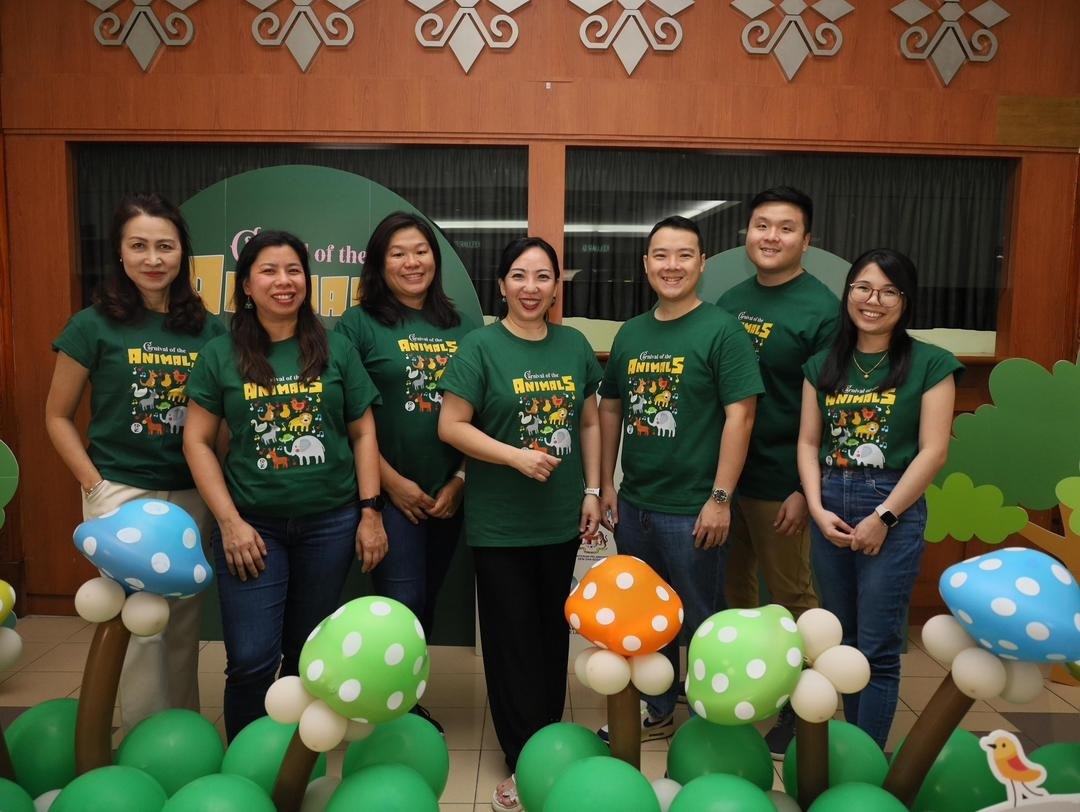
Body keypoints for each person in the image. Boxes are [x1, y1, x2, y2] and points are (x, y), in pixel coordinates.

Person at [183, 229, 387, 741]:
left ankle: (296, 761)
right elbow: (198, 442)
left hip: (331, 524)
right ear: (246, 285)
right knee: (251, 658)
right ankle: (248, 763)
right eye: (269, 271)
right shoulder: (220, 354)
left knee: (307, 655)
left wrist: (370, 512)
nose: (284, 281)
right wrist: (229, 523)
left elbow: (363, 432)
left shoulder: (336, 348)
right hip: (252, 528)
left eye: (294, 270)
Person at [45, 192, 224, 733]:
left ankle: (182, 735)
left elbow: (222, 420)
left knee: (183, 622)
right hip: (120, 495)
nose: (153, 258)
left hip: (190, 493)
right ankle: (146, 739)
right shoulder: (91, 325)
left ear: (182, 253)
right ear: (120, 253)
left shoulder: (208, 329)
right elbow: (57, 416)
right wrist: (94, 485)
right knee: (141, 623)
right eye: (139, 246)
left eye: (164, 246)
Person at [438, 237, 602, 812]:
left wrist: (593, 490)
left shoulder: (573, 345)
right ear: (501, 285)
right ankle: (522, 759)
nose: (531, 288)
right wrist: (515, 457)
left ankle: (548, 741)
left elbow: (588, 422)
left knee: (551, 636)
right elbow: (451, 425)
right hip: (501, 524)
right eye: (519, 276)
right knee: (511, 644)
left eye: (543, 277)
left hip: (559, 519)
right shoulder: (480, 347)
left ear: (557, 286)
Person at [598, 216, 763, 742]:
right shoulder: (630, 332)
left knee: (703, 621)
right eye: (662, 255)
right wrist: (606, 485)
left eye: (684, 255)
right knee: (648, 617)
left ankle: (718, 722)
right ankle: (659, 709)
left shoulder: (722, 330)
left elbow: (741, 416)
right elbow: (610, 409)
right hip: (636, 505)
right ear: (646, 264)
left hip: (694, 508)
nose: (672, 266)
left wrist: (720, 499)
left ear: (702, 263)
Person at [797, 248, 961, 751]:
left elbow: (933, 452)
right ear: (848, 293)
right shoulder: (823, 364)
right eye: (864, 288)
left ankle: (866, 759)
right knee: (841, 642)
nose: (874, 300)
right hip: (830, 500)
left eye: (889, 291)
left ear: (906, 301)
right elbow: (807, 442)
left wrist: (884, 517)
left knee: (878, 646)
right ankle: (850, 751)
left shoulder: (931, 363)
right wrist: (816, 508)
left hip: (892, 504)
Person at [335, 211, 477, 733]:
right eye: (398, 253)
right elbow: (347, 416)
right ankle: (395, 713)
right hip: (389, 491)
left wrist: (460, 479)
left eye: (421, 251)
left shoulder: (462, 325)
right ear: (379, 263)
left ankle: (402, 695)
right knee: (401, 601)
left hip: (448, 492)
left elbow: (484, 411)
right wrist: (391, 484)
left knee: (426, 601)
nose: (411, 262)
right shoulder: (357, 326)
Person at [717, 186, 838, 757]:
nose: (771, 236)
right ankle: (748, 691)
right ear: (747, 233)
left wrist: (802, 489)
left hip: (780, 480)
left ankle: (803, 706)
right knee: (734, 594)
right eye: (761, 225)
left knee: (793, 596)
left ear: (806, 240)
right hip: (725, 480)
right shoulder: (730, 300)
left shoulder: (822, 310)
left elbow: (835, 404)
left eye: (786, 228)